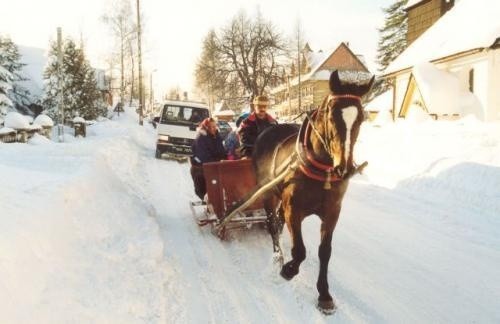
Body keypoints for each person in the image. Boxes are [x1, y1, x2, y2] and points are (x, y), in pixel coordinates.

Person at [190, 117, 226, 200]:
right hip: (202, 167)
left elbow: (221, 150)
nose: (214, 129)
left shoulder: (217, 137)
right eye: (211, 127)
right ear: (206, 127)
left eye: (215, 126)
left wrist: (226, 157)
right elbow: (203, 156)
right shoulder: (201, 138)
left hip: (216, 165)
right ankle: (208, 197)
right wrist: (217, 162)